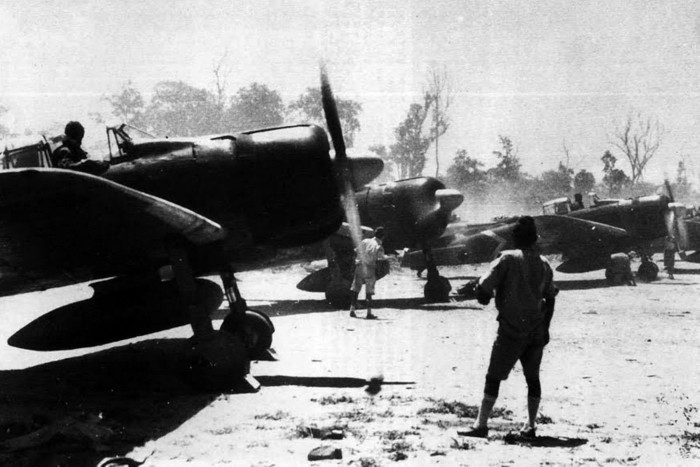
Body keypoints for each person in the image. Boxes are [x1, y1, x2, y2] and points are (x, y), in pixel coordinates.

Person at [459, 216, 558, 439]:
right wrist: (546, 328)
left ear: (514, 238)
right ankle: (531, 426)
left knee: (493, 377)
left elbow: (484, 288)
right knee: (533, 379)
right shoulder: (544, 263)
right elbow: (551, 297)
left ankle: (481, 425)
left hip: (511, 330)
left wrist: (483, 296)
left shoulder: (506, 259)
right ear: (535, 239)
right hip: (535, 330)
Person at [349, 226, 387, 319]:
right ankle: (369, 313)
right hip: (369, 269)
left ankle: (352, 310)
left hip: (359, 266)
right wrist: (378, 271)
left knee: (355, 289)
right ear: (383, 237)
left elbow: (356, 251)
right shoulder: (379, 246)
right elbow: (379, 260)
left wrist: (354, 264)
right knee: (369, 292)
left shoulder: (365, 241)